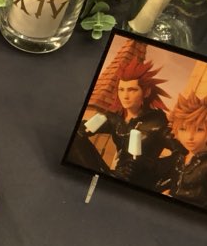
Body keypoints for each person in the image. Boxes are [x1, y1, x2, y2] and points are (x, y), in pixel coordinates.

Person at [70, 58, 173, 189]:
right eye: (121, 89)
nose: (125, 96)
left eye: (132, 90)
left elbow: (181, 155)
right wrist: (81, 128)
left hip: (140, 182)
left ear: (146, 92)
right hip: (115, 175)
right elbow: (83, 130)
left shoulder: (158, 123)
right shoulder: (116, 118)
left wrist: (148, 164)